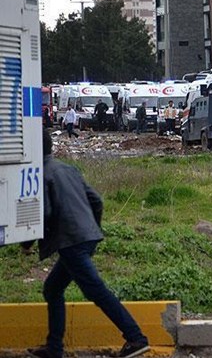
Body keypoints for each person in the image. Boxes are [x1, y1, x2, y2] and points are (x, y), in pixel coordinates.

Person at [27, 131, 150, 358]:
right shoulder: (67, 168)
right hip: (86, 237)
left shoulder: (41, 175)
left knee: (97, 291)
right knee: (53, 289)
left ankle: (136, 338)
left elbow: (44, 213)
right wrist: (92, 228)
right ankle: (54, 348)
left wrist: (27, 242)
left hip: (71, 242)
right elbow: (97, 200)